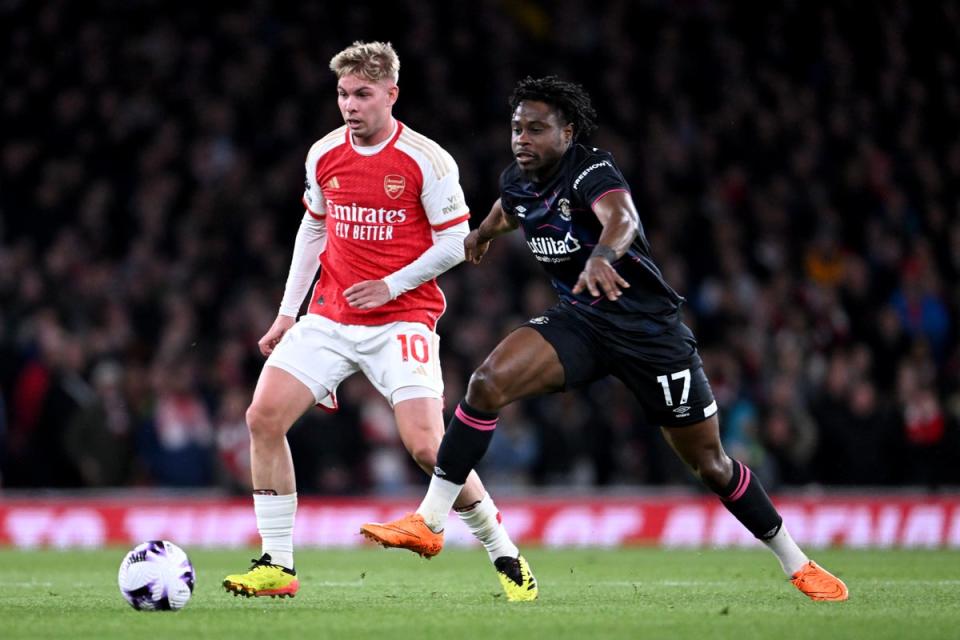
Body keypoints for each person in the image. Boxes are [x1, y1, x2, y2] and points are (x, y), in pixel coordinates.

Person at [361, 76, 848, 602]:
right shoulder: (516, 180)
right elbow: (510, 208)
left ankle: (797, 562)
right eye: (516, 128)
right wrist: (481, 234)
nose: (521, 139)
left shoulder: (592, 169)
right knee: (486, 382)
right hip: (583, 322)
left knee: (710, 464)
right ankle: (429, 522)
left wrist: (600, 256)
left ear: (567, 132)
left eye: (536, 129)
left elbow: (622, 218)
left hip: (650, 334)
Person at [222, 42, 537, 602]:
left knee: (425, 446)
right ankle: (277, 564)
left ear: (391, 94)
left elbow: (457, 245)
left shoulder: (427, 160)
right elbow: (313, 230)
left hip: (403, 318)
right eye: (343, 94)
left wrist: (390, 286)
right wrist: (287, 313)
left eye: (363, 94)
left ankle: (505, 555)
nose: (350, 105)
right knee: (263, 417)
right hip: (331, 312)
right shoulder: (323, 154)